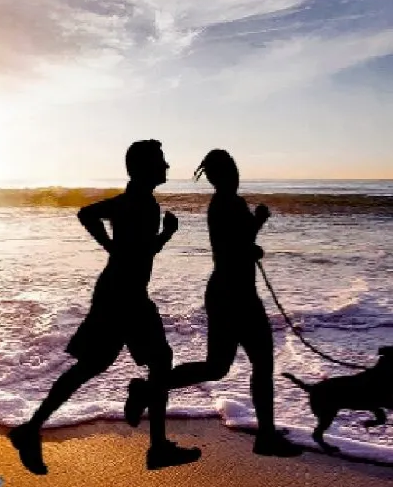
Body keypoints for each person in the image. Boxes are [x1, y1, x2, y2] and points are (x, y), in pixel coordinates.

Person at [8, 140, 201, 474]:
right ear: (144, 168)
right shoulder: (139, 203)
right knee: (156, 362)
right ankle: (155, 446)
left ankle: (31, 428)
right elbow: (116, 236)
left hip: (117, 293)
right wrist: (142, 240)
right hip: (125, 297)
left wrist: (119, 245)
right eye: (161, 162)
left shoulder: (137, 202)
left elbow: (99, 223)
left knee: (92, 366)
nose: (167, 167)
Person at [125, 149, 299, 457]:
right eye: (229, 169)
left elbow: (235, 245)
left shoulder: (225, 203)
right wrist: (257, 225)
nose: (235, 173)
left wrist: (251, 241)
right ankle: (266, 436)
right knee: (258, 363)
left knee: (218, 367)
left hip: (227, 293)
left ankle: (148, 389)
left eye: (233, 167)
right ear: (222, 175)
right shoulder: (227, 204)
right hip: (236, 295)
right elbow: (234, 251)